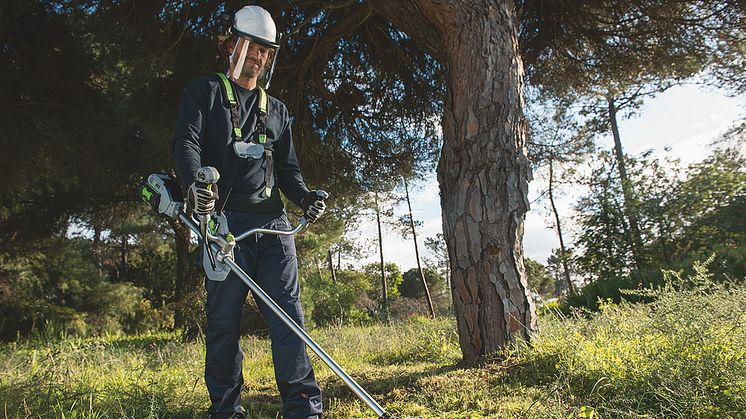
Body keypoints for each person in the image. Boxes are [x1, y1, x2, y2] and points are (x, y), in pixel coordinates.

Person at [172, 5, 326, 419]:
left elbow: (289, 171)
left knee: (289, 319)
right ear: (231, 44)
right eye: (252, 46)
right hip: (223, 227)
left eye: (266, 51)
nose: (259, 56)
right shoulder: (203, 91)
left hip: (273, 227)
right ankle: (226, 411)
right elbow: (185, 143)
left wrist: (305, 196)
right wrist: (193, 185)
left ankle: (304, 410)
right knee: (223, 324)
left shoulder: (275, 110)